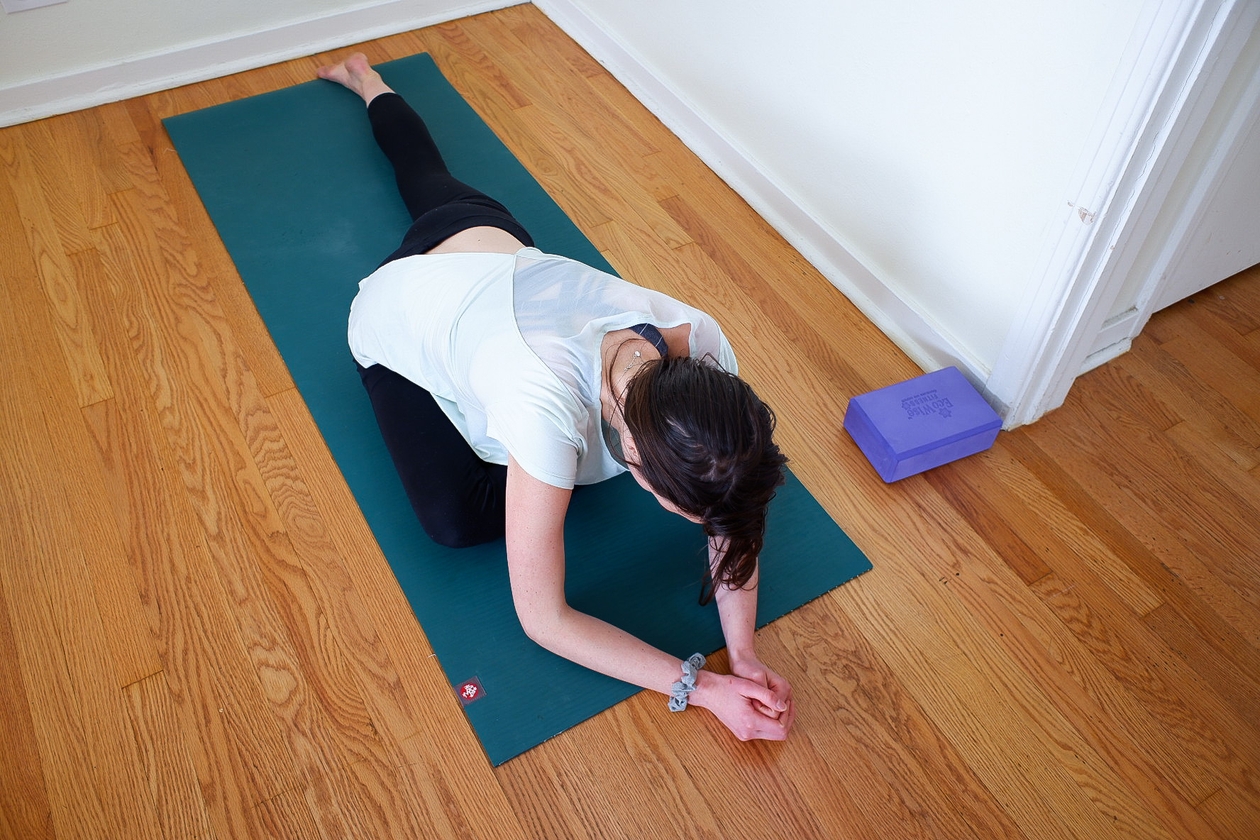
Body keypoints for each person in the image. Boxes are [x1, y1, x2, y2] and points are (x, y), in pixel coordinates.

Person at [319, 54, 795, 741]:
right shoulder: (543, 409)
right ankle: (370, 85)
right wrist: (706, 687)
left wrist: (745, 653)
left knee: (425, 173)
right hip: (404, 311)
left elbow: (732, 513)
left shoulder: (703, 348)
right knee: (453, 520)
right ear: (634, 456)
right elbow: (544, 620)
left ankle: (369, 81)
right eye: (681, 511)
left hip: (487, 237)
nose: (706, 533)